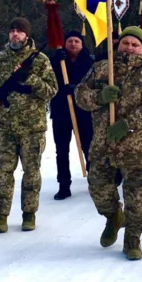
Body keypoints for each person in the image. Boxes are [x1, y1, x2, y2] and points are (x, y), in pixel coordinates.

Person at [75, 26, 142, 261]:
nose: (130, 47)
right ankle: (113, 215)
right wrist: (99, 97)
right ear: (118, 45)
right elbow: (79, 95)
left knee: (136, 197)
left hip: (137, 146)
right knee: (98, 187)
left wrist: (128, 124)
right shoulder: (101, 68)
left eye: (135, 44)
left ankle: (133, 239)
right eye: (126, 43)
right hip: (103, 145)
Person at [0, 17, 58, 233]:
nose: (15, 35)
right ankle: (0, 216)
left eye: (20, 31)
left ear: (27, 35)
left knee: (31, 172)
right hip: (5, 127)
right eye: (12, 31)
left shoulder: (40, 60)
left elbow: (52, 90)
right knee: (3, 172)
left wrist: (31, 79)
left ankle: (29, 214)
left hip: (32, 128)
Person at [49, 31, 94, 200]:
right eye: (70, 41)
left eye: (76, 41)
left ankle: (94, 180)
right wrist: (56, 59)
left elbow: (92, 84)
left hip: (83, 111)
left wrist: (76, 89)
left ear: (82, 44)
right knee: (61, 150)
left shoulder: (89, 62)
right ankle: (64, 184)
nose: (73, 44)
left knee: (88, 147)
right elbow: (49, 81)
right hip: (61, 111)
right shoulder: (57, 61)